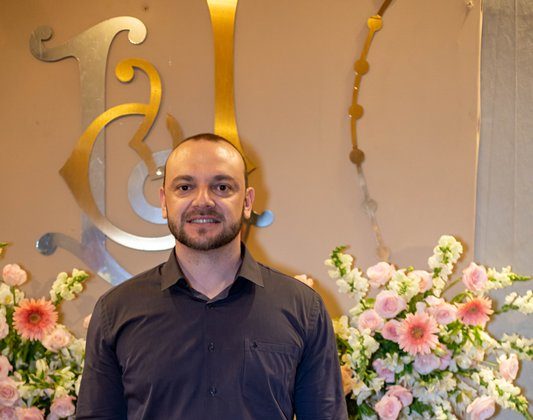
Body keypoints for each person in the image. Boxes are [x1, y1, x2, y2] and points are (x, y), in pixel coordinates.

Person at [77, 133, 348, 419]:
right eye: (185, 187)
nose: (203, 201)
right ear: (164, 202)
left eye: (222, 187)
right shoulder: (116, 311)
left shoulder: (302, 308)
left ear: (247, 201)